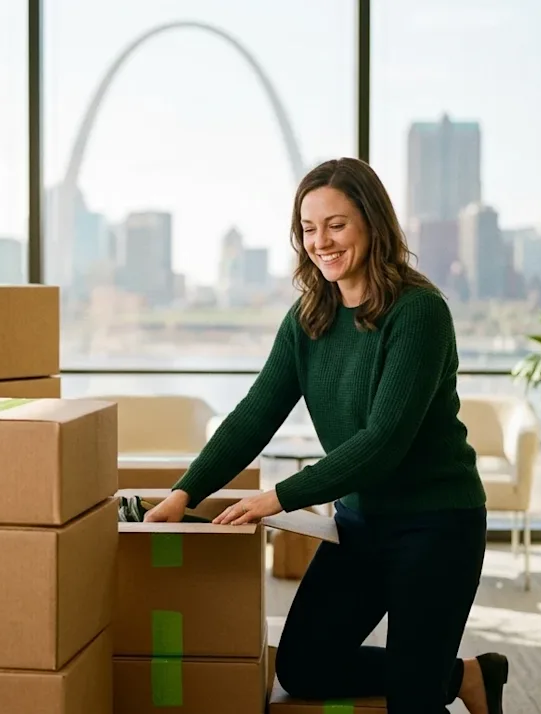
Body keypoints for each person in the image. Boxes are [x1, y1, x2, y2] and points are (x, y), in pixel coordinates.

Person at [142, 157, 508, 713]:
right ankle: (462, 676)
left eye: (336, 225)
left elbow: (383, 442)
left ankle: (431, 676)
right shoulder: (309, 314)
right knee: (304, 666)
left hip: (436, 525)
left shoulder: (419, 313)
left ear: (372, 223)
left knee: (411, 699)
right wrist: (184, 492)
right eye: (309, 229)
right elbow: (255, 414)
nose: (321, 242)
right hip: (361, 524)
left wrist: (279, 497)